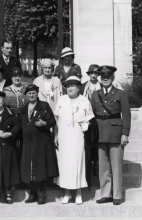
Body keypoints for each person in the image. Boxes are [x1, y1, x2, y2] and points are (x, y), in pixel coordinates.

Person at [90, 65, 131, 206]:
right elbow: (91, 114)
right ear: (100, 79)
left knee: (117, 166)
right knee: (103, 166)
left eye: (108, 76)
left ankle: (117, 195)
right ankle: (106, 194)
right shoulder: (95, 94)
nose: (105, 78)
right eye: (103, 76)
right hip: (100, 134)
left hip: (115, 134)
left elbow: (126, 114)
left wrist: (125, 134)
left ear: (113, 78)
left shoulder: (120, 94)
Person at [54, 76, 94, 205]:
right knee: (65, 164)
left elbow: (90, 116)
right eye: (68, 86)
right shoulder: (61, 99)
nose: (70, 88)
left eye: (73, 86)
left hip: (78, 136)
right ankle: (66, 193)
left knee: (78, 163)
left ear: (78, 88)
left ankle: (78, 194)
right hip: (64, 136)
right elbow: (56, 120)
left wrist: (87, 123)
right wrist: (55, 135)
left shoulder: (84, 100)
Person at [19, 84, 59, 205]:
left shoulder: (44, 105)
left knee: (40, 168)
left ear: (37, 94)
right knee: (29, 168)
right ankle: (32, 194)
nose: (31, 95)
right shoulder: (24, 108)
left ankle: (41, 194)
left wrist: (44, 123)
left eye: (33, 93)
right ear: (26, 95)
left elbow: (52, 120)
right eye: (29, 93)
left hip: (41, 142)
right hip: (27, 143)